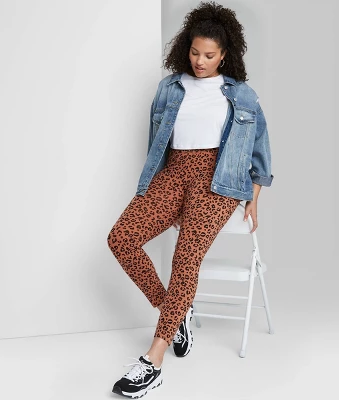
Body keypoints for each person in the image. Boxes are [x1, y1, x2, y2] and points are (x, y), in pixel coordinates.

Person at [107, 1, 274, 397]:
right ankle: (176, 310)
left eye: (209, 55)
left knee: (185, 258)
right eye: (195, 52)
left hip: (218, 181)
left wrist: (254, 196)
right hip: (174, 173)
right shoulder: (170, 87)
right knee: (121, 238)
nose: (200, 61)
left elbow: (260, 150)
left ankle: (154, 360)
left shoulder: (242, 95)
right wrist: (162, 189)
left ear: (225, 54)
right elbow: (158, 143)